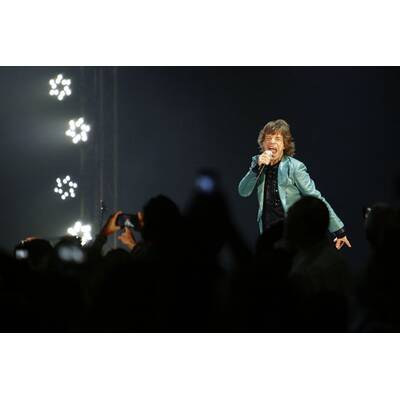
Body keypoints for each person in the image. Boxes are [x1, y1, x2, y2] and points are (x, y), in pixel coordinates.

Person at [238, 119, 351, 250]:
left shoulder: (295, 167)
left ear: (284, 145)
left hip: (292, 233)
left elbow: (316, 198)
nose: (272, 142)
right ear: (263, 144)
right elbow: (243, 191)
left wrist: (339, 230)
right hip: (268, 233)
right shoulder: (257, 164)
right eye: (268, 138)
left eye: (277, 139)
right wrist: (255, 169)